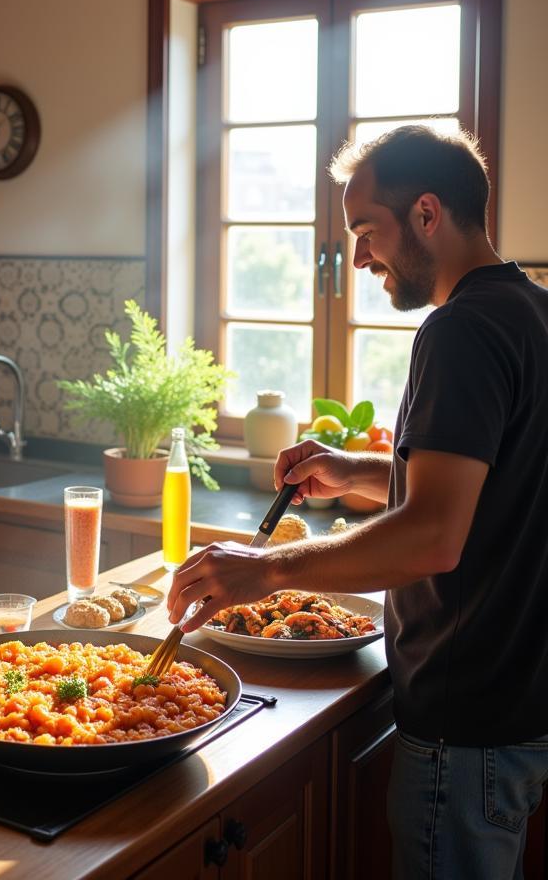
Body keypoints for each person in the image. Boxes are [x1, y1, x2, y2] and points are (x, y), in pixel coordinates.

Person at [167, 125, 548, 879]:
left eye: (366, 231)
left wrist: (264, 571)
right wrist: (357, 470)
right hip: (520, 705)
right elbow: (488, 484)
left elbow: (435, 536)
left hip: (463, 724)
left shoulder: (459, 331)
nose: (360, 257)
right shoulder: (531, 310)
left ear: (428, 214)